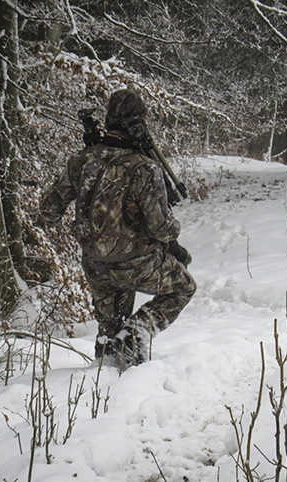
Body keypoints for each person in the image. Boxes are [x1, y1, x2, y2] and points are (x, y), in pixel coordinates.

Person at [40, 89, 196, 369]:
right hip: (136, 263)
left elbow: (49, 209)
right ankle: (138, 333)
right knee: (183, 287)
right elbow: (161, 228)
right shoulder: (145, 168)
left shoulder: (83, 160)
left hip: (95, 265)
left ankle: (103, 387)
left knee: (110, 335)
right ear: (139, 122)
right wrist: (174, 231)